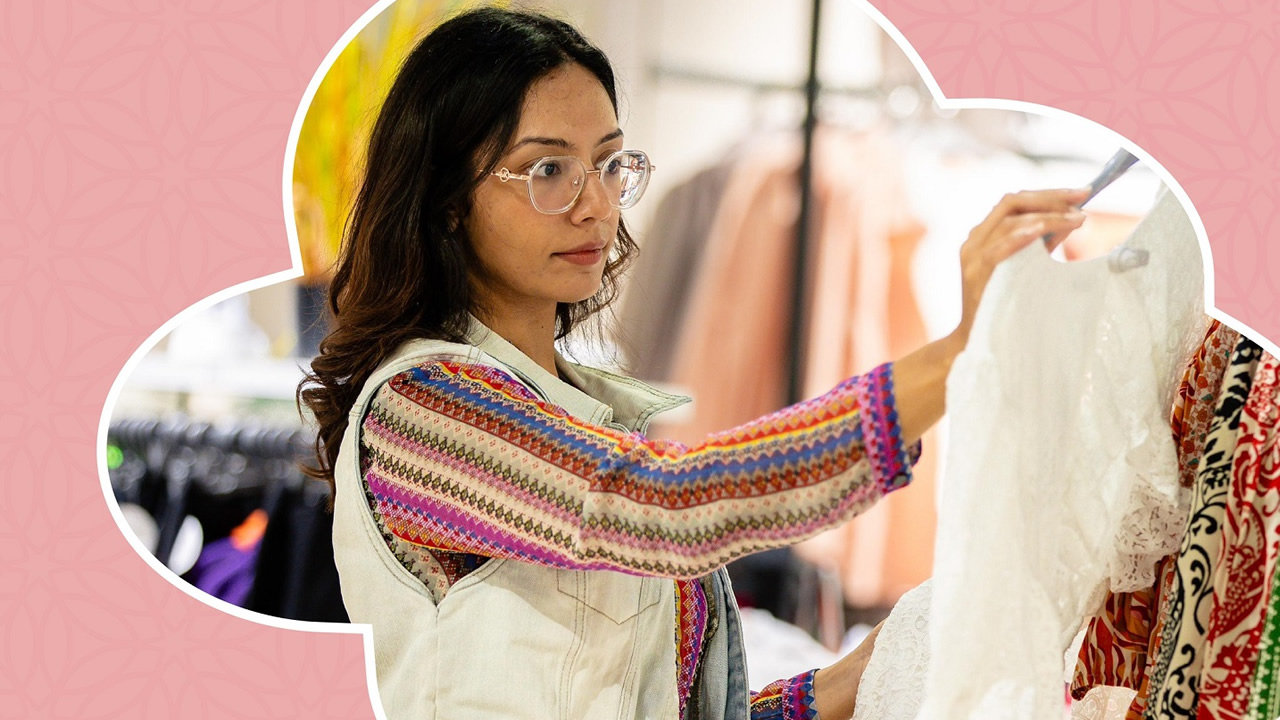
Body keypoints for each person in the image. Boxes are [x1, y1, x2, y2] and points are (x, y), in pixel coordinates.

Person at [297, 7, 1089, 720]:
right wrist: (955, 357)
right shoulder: (426, 410)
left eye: (608, 164)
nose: (596, 204)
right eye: (547, 170)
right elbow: (664, 505)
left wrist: (836, 688)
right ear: (445, 199)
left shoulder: (574, 408)